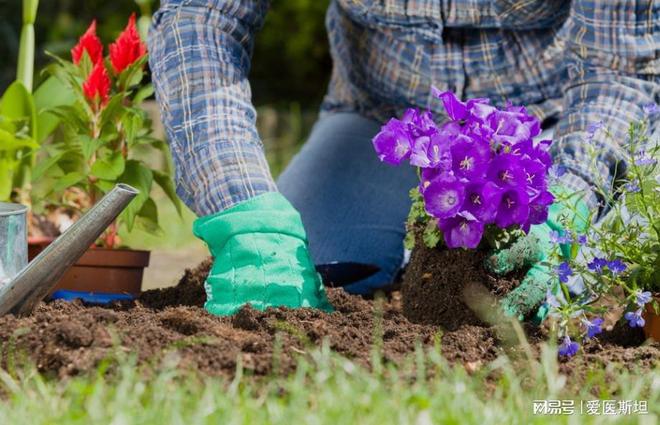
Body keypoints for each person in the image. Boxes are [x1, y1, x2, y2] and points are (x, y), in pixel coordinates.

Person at [148, 0, 659, 317]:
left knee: (605, 272)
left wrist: (574, 199)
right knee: (316, 262)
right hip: (385, 121)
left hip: (544, 126)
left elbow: (622, 69)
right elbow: (201, 21)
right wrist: (243, 206)